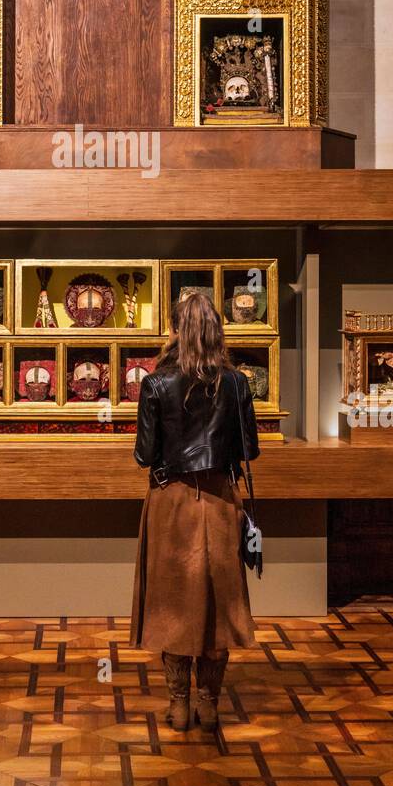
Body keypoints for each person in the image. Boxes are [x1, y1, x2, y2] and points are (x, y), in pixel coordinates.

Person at [130, 291, 259, 732]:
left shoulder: (156, 383)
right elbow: (248, 451)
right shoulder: (237, 382)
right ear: (217, 331)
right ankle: (209, 704)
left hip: (172, 501)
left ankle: (179, 704)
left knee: (172, 603)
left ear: (174, 331)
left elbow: (145, 455)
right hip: (221, 500)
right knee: (218, 604)